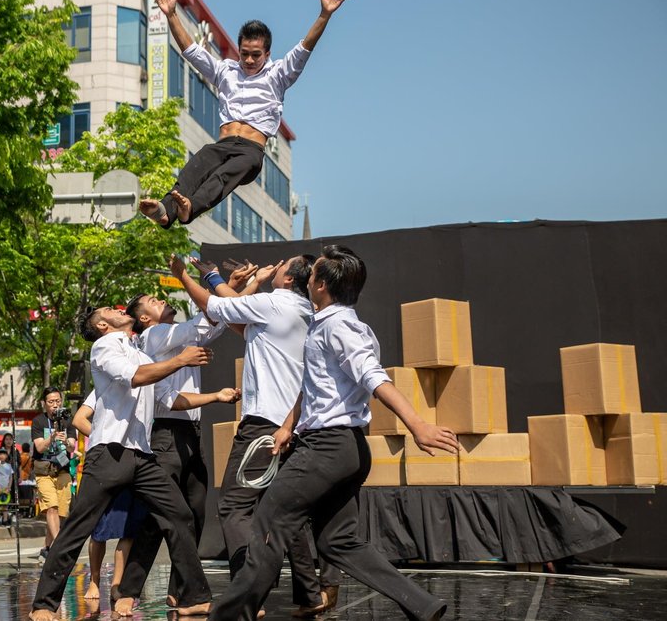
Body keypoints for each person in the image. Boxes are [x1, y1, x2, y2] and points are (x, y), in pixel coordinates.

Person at [210, 246, 459, 621]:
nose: (308, 278)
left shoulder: (338, 327)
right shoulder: (338, 325)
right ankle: (422, 605)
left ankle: (229, 615)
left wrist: (417, 425)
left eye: (313, 275)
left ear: (321, 285)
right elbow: (313, 384)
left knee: (268, 523)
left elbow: (373, 377)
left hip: (326, 449)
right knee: (337, 541)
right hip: (347, 450)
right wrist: (287, 426)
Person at [28, 305, 239, 620]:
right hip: (109, 453)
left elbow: (170, 398)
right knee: (77, 528)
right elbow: (137, 378)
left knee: (180, 515)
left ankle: (193, 596)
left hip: (142, 455)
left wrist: (215, 397)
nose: (117, 308)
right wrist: (181, 359)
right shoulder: (104, 347)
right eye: (108, 310)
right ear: (102, 324)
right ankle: (43, 605)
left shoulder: (140, 353)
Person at [171, 253, 336, 614]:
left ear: (290, 279)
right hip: (291, 423)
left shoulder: (278, 304)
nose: (274, 267)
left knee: (233, 507)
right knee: (284, 512)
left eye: (281, 266)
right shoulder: (302, 313)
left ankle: (247, 594)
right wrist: (248, 283)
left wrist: (190, 276)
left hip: (263, 425)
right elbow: (239, 323)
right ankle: (309, 594)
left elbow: (218, 305)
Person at [139, 0, 349, 228]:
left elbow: (305, 47)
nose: (249, 60)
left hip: (250, 150)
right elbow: (192, 50)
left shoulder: (279, 75)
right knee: (198, 163)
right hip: (224, 143)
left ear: (267, 54)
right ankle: (167, 211)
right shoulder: (225, 71)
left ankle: (190, 209)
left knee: (223, 175)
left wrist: (324, 15)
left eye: (256, 55)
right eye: (244, 53)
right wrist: (172, 14)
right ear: (238, 49)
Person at [115, 289, 225, 607]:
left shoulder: (176, 336)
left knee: (197, 511)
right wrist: (222, 289)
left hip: (191, 433)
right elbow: (205, 325)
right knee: (160, 517)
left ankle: (180, 591)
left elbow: (214, 322)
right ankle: (128, 591)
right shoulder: (155, 335)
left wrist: (231, 293)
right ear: (145, 318)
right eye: (153, 301)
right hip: (165, 435)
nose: (161, 300)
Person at [72, 393, 148, 602]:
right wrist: (103, 438)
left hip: (134, 463)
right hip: (104, 463)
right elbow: (78, 419)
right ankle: (94, 581)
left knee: (128, 529)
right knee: (99, 530)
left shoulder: (141, 387)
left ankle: (117, 584)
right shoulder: (103, 385)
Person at [30, 387, 78, 561]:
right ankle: (59, 549)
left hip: (63, 470)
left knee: (61, 514)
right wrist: (51, 437)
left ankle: (47, 548)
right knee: (51, 507)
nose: (55, 405)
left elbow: (73, 447)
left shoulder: (68, 421)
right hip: (44, 470)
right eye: (51, 402)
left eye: (57, 401)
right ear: (44, 404)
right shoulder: (38, 421)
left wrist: (65, 440)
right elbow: (39, 447)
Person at [0, 447, 15, 527]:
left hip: (6, 489)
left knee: (5, 505)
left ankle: (5, 520)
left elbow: (10, 477)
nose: (2, 456)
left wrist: (9, 487)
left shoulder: (9, 466)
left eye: (4, 454)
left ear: (6, 456)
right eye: (0, 454)